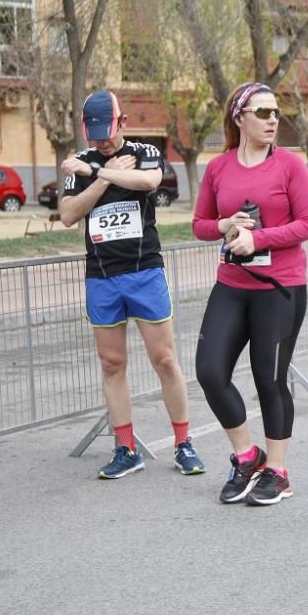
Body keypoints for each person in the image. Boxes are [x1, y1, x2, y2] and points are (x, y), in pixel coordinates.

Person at [59, 90, 205, 479]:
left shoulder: (144, 151)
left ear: (122, 123)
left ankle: (184, 443)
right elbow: (69, 214)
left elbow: (148, 181)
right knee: (112, 363)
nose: (102, 141)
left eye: (107, 132)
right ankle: (126, 449)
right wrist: (100, 178)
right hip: (102, 277)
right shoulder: (83, 162)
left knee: (165, 360)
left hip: (144, 272)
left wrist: (99, 172)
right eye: (95, 134)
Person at [192, 82, 308, 505]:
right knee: (210, 371)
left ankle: (278, 471)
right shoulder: (218, 168)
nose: (272, 120)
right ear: (240, 117)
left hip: (280, 288)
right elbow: (200, 225)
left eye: (275, 113)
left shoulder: (289, 166)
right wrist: (225, 225)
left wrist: (259, 239)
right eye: (262, 112)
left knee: (270, 378)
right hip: (232, 285)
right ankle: (247, 456)